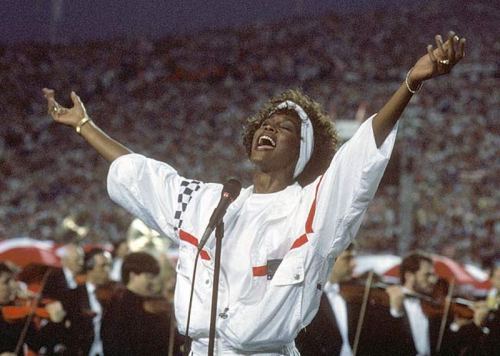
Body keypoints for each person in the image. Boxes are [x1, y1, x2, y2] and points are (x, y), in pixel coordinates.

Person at [43, 32, 466, 355]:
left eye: (286, 129)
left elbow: (358, 159)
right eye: (266, 123)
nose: (270, 128)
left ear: (304, 154)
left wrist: (410, 83)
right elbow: (141, 174)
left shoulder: (311, 208)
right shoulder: (213, 201)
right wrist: (84, 126)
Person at [101, 251, 181, 355]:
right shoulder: (119, 304)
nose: (153, 282)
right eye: (149, 277)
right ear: (133, 275)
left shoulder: (150, 303)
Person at [62, 248, 112, 356]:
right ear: (89, 268)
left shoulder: (115, 295)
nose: (108, 270)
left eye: (109, 265)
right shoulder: (73, 295)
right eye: (103, 266)